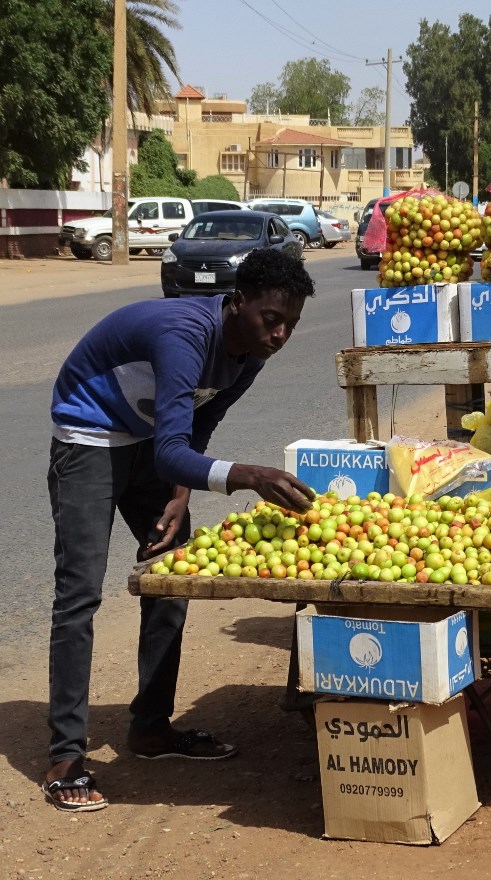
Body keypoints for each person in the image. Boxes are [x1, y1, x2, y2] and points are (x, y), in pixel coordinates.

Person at [43, 249, 316, 812]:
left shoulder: (251, 351)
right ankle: (66, 756)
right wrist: (246, 475)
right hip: (90, 436)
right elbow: (175, 448)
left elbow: (196, 426)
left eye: (291, 322)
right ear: (236, 303)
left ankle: (150, 729)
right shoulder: (185, 333)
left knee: (170, 581)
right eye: (271, 319)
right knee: (80, 595)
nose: (281, 333)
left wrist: (180, 490)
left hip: (152, 446)